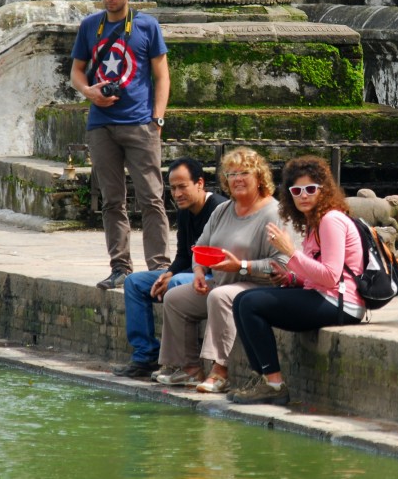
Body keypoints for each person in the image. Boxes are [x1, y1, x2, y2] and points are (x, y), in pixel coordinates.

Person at [229, 155, 366, 406]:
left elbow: (331, 276)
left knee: (250, 303)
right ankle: (262, 377)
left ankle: (274, 385)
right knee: (241, 300)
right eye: (297, 190)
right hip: (325, 296)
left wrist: (291, 254)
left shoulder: (330, 220)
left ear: (323, 191)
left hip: (341, 304)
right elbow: (317, 275)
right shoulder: (314, 222)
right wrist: (292, 277)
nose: (304, 195)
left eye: (311, 189)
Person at [70, 0, 171, 290]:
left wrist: (158, 118)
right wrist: (89, 92)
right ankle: (120, 266)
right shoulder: (90, 26)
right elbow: (77, 71)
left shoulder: (147, 27)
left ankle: (159, 267)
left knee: (152, 198)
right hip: (101, 125)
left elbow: (162, 75)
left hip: (140, 123)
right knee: (112, 200)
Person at [155, 147, 288, 393]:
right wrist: (197, 272)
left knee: (220, 296)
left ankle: (220, 372)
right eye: (231, 173)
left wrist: (243, 266)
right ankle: (190, 369)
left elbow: (282, 262)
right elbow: (200, 248)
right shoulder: (223, 209)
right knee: (175, 298)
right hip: (222, 280)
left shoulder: (274, 212)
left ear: (259, 177)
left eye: (244, 173)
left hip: (258, 286)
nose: (236, 179)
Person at [111, 157, 228, 378]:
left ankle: (184, 364)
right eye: (173, 188)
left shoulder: (219, 209)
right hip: (188, 270)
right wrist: (168, 272)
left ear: (200, 183)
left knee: (174, 284)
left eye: (182, 187)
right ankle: (145, 356)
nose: (177, 194)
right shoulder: (185, 210)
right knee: (134, 283)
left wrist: (174, 277)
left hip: (212, 275)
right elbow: (184, 255)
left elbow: (214, 260)